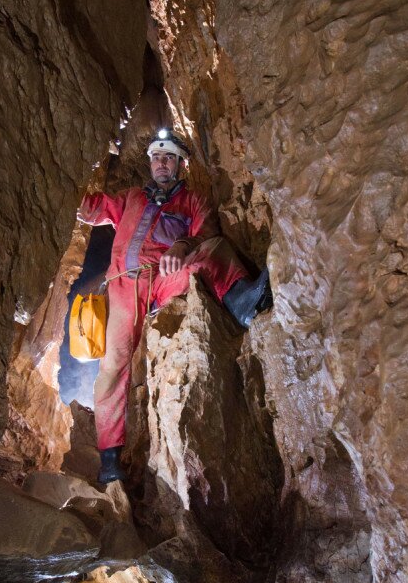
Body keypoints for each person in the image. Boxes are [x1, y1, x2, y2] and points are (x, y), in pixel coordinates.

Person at [77, 129, 273, 484]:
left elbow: (208, 233)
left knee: (212, 252)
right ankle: (109, 460)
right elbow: (90, 209)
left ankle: (244, 304)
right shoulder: (131, 198)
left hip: (164, 280)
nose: (161, 163)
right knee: (113, 366)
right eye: (156, 157)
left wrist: (182, 245)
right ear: (150, 163)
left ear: (181, 164)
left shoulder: (192, 202)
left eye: (168, 157)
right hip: (123, 288)